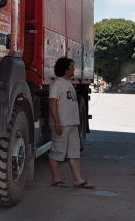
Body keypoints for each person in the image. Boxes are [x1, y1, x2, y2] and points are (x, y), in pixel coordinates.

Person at [48, 57, 94, 189]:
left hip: (72, 124)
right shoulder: (57, 84)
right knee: (57, 152)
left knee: (74, 153)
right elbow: (52, 103)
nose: (74, 69)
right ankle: (56, 179)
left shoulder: (69, 84)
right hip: (61, 125)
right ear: (66, 69)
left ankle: (78, 180)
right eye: (72, 67)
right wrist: (57, 123)